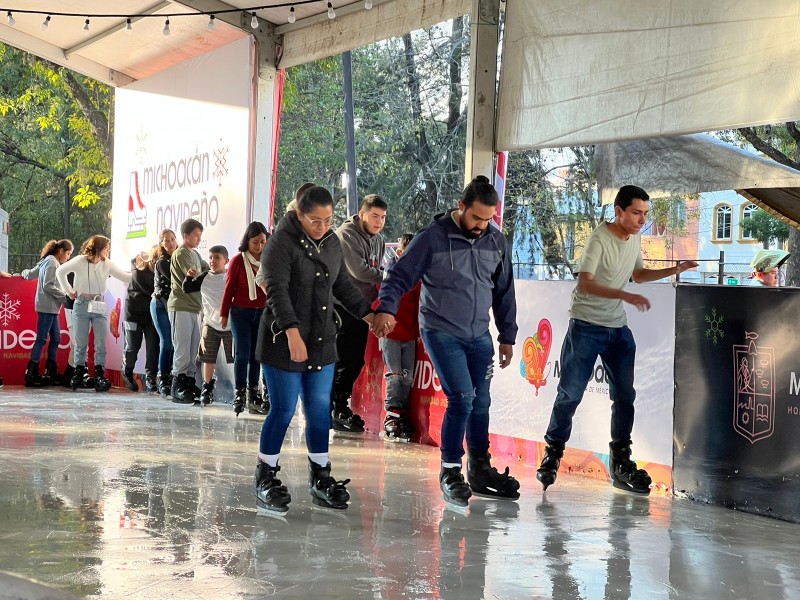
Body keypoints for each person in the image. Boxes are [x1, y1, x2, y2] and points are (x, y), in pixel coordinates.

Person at [534, 185, 698, 495]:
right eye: (636, 213)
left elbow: (637, 274)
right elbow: (585, 283)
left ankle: (621, 462)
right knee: (570, 394)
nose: (641, 220)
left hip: (616, 328)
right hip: (586, 325)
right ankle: (553, 453)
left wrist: (675, 269)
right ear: (619, 211)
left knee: (625, 395)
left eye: (645, 214)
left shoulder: (633, 238)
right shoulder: (599, 239)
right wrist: (622, 294)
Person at [372, 176, 519, 508]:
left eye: (488, 219)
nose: (482, 225)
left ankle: (479, 468)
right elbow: (398, 277)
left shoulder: (496, 241)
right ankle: (451, 470)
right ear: (461, 206)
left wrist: (507, 335)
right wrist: (386, 310)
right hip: (440, 331)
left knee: (481, 402)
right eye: (476, 217)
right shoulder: (433, 239)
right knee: (462, 398)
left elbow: (504, 290)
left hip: (479, 335)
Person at [253, 186, 375, 514]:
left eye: (327, 220)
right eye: (314, 221)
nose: (322, 227)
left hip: (322, 341)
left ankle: (320, 476)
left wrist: (370, 315)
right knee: (283, 409)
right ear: (298, 214)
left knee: (320, 410)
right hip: (284, 340)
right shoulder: (280, 241)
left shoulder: (333, 243)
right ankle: (266, 475)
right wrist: (292, 332)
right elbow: (276, 290)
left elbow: (342, 285)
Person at [331, 194, 387, 433]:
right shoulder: (346, 235)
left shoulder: (379, 240)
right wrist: (388, 275)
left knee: (354, 360)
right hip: (340, 305)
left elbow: (377, 268)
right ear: (362, 214)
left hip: (363, 307)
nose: (379, 222)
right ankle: (334, 405)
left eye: (383, 217)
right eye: (374, 216)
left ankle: (336, 404)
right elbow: (360, 272)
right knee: (346, 358)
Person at [56, 235, 131, 392]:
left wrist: (141, 269)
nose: (108, 251)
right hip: (81, 304)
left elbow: (126, 277)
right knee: (80, 342)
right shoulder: (80, 261)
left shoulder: (107, 264)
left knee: (101, 343)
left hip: (99, 305)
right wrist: (69, 291)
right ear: (98, 248)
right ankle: (78, 373)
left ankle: (99, 374)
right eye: (106, 248)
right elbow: (60, 272)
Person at [221, 222, 270, 416]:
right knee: (242, 353)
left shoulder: (269, 260)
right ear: (247, 241)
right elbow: (229, 289)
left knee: (256, 355)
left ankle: (253, 394)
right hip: (240, 312)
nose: (259, 247)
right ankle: (239, 392)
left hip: (263, 312)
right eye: (255, 242)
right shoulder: (238, 261)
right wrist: (224, 313)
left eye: (263, 242)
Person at [376, 233, 420, 442]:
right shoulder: (392, 274)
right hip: (391, 333)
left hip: (409, 334)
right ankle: (391, 414)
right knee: (394, 374)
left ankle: (401, 413)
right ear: (400, 252)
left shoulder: (419, 277)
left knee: (407, 376)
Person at [183, 245, 232, 406]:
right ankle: (206, 388)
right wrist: (189, 277)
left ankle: (239, 389)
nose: (213, 261)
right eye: (210, 257)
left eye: (217, 257)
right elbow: (187, 288)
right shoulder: (204, 277)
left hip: (231, 324)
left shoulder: (231, 276)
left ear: (226, 260)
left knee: (235, 359)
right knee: (208, 357)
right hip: (210, 323)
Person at [168, 219, 209, 403]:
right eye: (196, 235)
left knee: (193, 349)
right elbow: (196, 275)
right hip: (181, 305)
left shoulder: (196, 255)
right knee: (182, 347)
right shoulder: (181, 254)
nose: (198, 239)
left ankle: (190, 380)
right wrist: (208, 273)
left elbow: (207, 270)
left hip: (196, 307)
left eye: (200, 236)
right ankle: (178, 384)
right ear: (186, 236)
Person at [22, 239, 73, 387]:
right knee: (42, 339)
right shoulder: (53, 263)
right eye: (68, 254)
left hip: (50, 307)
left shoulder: (46, 260)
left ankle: (50, 371)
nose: (68, 258)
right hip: (48, 306)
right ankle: (31, 373)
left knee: (56, 338)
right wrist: (65, 296)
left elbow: (31, 274)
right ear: (61, 251)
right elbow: (48, 285)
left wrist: (24, 272)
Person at [121, 251, 160, 393]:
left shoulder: (161, 271)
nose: (156, 262)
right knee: (132, 347)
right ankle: (127, 371)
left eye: (159, 259)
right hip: (133, 313)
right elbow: (149, 288)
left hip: (151, 315)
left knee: (153, 347)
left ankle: (151, 378)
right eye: (154, 258)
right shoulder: (138, 268)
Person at [151, 229, 177, 397]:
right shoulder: (162, 262)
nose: (170, 243)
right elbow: (176, 279)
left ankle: (172, 377)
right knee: (167, 341)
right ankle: (163, 378)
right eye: (166, 240)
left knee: (174, 343)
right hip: (160, 304)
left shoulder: (179, 258)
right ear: (161, 243)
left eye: (172, 239)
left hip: (175, 306)